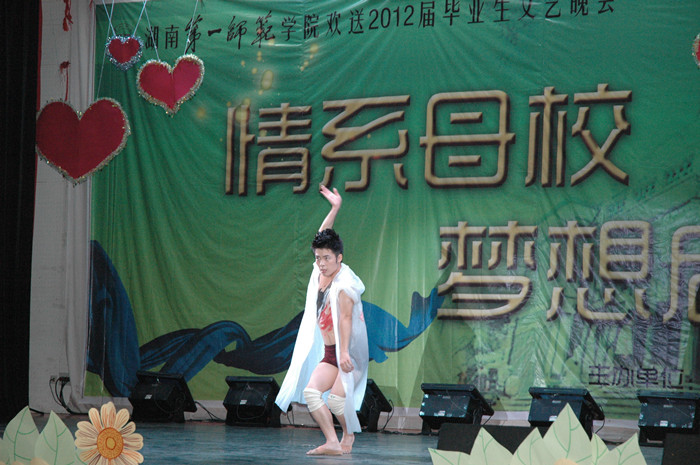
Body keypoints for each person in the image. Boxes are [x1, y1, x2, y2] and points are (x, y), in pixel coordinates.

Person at [275, 185, 368, 456]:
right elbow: (321, 236)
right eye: (318, 258)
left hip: (348, 352)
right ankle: (332, 442)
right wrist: (335, 208)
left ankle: (348, 434)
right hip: (330, 352)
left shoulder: (345, 284)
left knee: (337, 401)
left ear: (339, 258)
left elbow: (346, 319)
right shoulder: (319, 272)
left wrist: (345, 353)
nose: (322, 263)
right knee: (312, 393)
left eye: (327, 258)